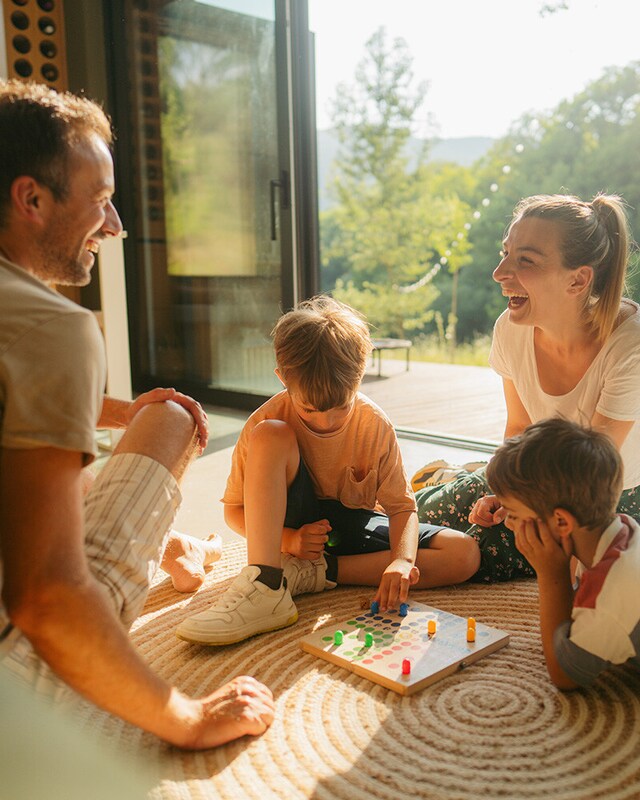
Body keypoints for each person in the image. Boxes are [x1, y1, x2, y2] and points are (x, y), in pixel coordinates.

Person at [0, 80, 273, 748]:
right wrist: (189, 718)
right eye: (99, 200)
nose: (115, 224)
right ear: (31, 199)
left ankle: (176, 548)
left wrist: (119, 412)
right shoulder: (51, 327)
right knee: (173, 418)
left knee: (76, 460)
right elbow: (46, 599)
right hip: (16, 683)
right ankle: (176, 550)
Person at [176, 296, 480, 646]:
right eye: (309, 410)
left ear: (360, 376)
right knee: (271, 435)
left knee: (464, 554)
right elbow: (234, 511)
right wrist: (290, 540)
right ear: (282, 379)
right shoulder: (265, 422)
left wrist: (400, 561)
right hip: (290, 529)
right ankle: (267, 583)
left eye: (341, 407)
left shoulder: (374, 424)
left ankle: (316, 574)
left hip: (350, 528)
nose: (326, 421)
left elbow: (401, 508)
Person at [414, 193, 640, 583]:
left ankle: (460, 475)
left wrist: (519, 506)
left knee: (475, 550)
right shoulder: (510, 328)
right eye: (505, 254)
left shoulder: (630, 345)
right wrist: (504, 491)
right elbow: (519, 428)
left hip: (603, 499)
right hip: (536, 476)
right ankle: (455, 478)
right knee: (419, 514)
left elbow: (589, 474)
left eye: (526, 260)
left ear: (578, 279)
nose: (499, 272)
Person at [485, 417, 640, 689]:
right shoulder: (623, 529)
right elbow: (574, 614)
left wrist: (551, 574)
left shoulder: (612, 589)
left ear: (561, 522)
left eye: (514, 515)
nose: (509, 524)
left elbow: (565, 675)